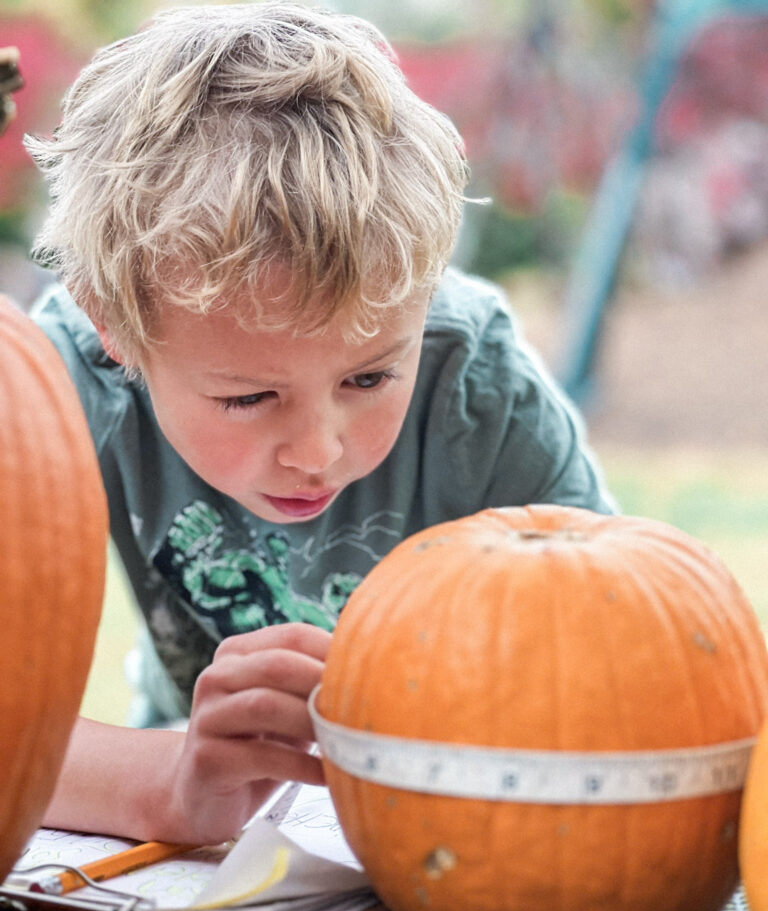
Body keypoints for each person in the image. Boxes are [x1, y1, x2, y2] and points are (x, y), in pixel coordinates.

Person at [24, 2, 614, 846]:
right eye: (248, 397)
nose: (320, 449)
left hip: (467, 840)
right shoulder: (48, 397)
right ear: (116, 329)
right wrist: (173, 784)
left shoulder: (478, 388)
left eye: (370, 375)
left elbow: (627, 662)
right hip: (198, 847)